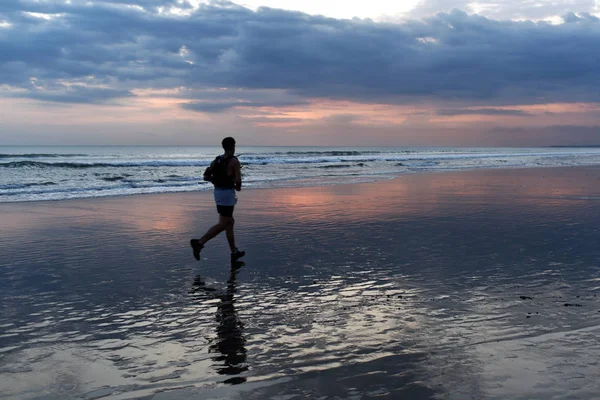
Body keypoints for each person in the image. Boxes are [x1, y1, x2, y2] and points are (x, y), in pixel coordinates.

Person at [190, 137, 245, 263]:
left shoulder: (216, 161)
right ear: (233, 146)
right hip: (227, 195)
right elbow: (238, 181)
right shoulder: (234, 161)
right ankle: (199, 242)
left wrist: (218, 181)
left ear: (223, 147)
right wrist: (237, 187)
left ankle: (234, 252)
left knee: (229, 222)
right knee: (224, 223)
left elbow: (206, 177)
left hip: (218, 193)